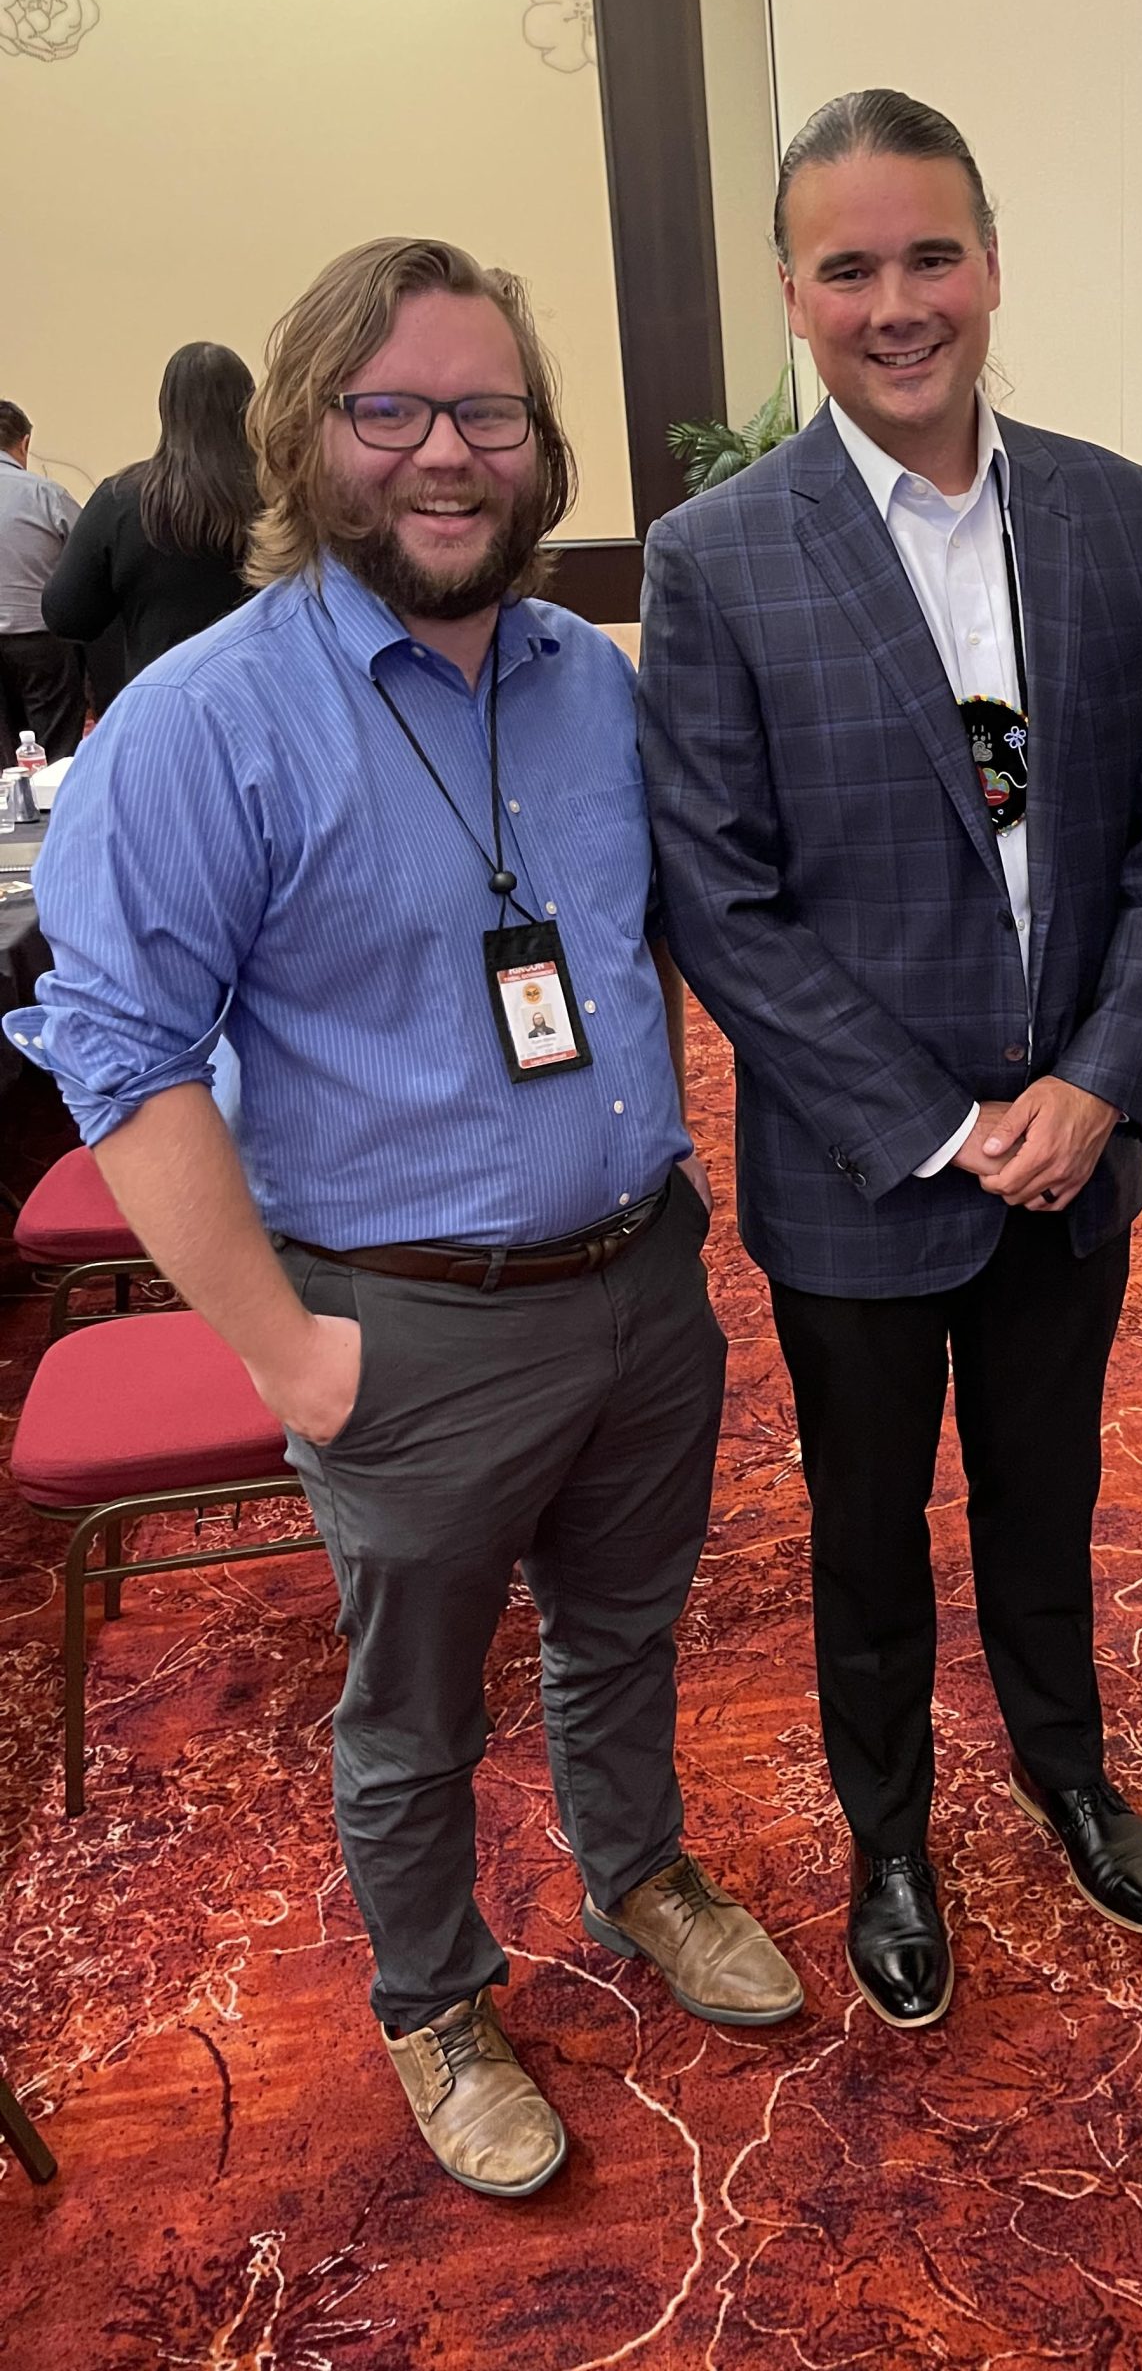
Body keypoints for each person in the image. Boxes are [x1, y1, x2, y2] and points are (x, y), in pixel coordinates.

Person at [4, 237, 801, 2195]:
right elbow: (124, 1065)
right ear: (312, 433)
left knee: (623, 1634)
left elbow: (684, 941)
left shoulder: (594, 685)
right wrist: (285, 1350)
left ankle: (635, 1868)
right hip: (404, 1323)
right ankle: (433, 1992)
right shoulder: (201, 724)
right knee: (411, 1707)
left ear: (539, 450)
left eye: (489, 411)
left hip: (640, 1282)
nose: (447, 450)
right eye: (397, 409)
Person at [639, 91, 1142, 2030]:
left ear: (991, 259)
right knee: (870, 1529)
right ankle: (891, 1829)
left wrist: (1104, 1078)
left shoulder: (1114, 509)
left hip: (1075, 1152)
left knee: (1048, 1500)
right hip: (860, 1175)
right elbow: (722, 898)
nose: (900, 302)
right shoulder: (719, 558)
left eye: (933, 255)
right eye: (851, 266)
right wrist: (942, 1119)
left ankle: (1067, 1762)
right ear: (795, 292)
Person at [42, 342, 258, 702]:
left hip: (163, 703)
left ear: (166, 409)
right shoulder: (282, 494)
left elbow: (66, 614)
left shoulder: (122, 498)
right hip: (265, 696)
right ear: (249, 406)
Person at [0, 397, 86, 761]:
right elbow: (89, 559)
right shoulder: (46, 494)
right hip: (41, 641)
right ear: (25, 443)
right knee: (54, 748)